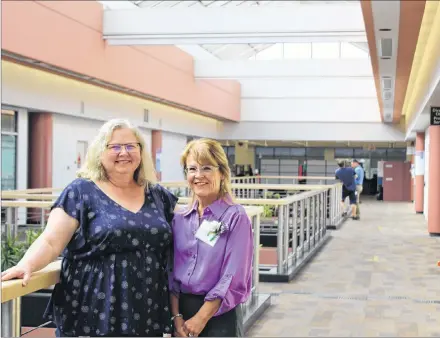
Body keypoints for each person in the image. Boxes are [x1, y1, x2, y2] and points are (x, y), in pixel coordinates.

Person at [1, 119, 178, 337]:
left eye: (131, 146)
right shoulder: (81, 191)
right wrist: (26, 264)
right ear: (99, 152)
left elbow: (185, 229)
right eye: (114, 146)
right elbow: (51, 241)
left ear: (141, 152)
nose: (124, 152)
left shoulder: (157, 194)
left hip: (145, 306)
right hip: (92, 305)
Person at [169, 138, 253, 337]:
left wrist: (201, 318)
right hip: (182, 315)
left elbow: (233, 275)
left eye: (206, 168)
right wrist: (176, 317)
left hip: (219, 315)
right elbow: (170, 271)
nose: (198, 176)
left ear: (222, 173)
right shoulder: (179, 218)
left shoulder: (234, 216)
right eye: (192, 169)